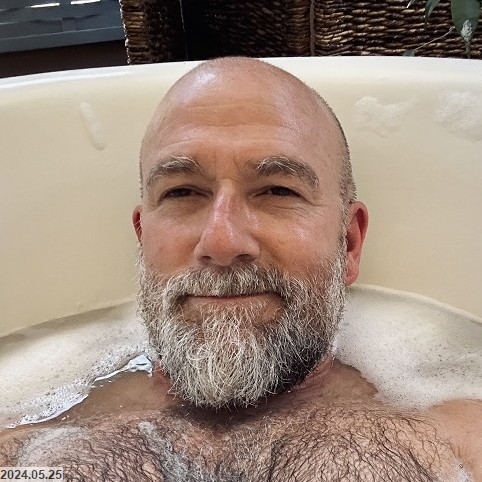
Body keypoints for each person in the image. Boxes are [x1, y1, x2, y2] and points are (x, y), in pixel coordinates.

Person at [1, 57, 481, 481]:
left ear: (349, 243)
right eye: (182, 192)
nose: (222, 241)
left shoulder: (457, 443)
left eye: (277, 191)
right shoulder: (26, 460)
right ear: (143, 239)